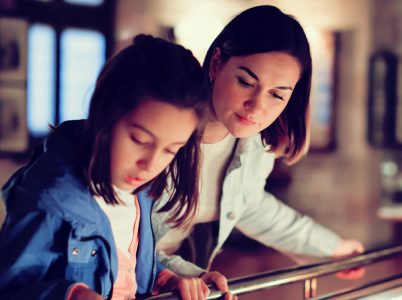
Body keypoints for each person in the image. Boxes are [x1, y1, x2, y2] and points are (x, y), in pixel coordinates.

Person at [0, 34, 230, 300]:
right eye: (139, 140)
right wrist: (71, 295)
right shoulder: (50, 202)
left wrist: (169, 280)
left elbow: (127, 269)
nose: (150, 164)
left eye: (170, 150)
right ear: (105, 113)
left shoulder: (139, 192)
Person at [153, 5, 365, 279]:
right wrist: (187, 276)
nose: (256, 107)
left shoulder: (254, 146)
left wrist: (331, 248)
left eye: (277, 95)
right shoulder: (162, 129)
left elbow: (252, 206)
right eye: (245, 81)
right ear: (217, 63)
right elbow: (122, 232)